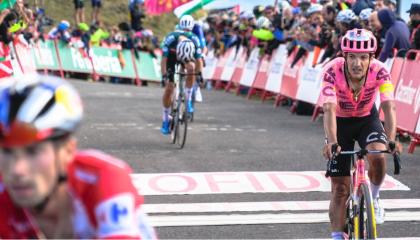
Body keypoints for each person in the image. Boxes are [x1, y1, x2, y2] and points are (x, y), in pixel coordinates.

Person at [0, 74, 157, 239]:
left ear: (67, 151)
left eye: (33, 152)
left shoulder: (104, 177)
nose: (17, 169)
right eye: (7, 152)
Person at [320, 29, 401, 240]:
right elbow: (328, 109)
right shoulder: (331, 71)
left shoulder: (381, 71)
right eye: (352, 57)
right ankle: (338, 236)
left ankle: (373, 198)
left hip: (367, 119)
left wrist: (391, 138)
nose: (357, 63)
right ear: (344, 56)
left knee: (378, 155)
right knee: (340, 189)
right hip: (339, 122)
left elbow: (388, 105)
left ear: (371, 58)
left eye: (363, 57)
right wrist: (332, 142)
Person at [160, 15, 203, 135]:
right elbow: (164, 60)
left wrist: (198, 75)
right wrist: (164, 76)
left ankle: (188, 99)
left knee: (192, 68)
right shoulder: (171, 39)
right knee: (169, 88)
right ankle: (165, 120)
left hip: (187, 56)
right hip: (172, 58)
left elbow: (199, 61)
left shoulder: (194, 39)